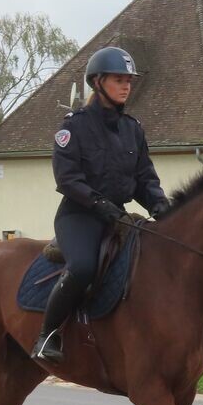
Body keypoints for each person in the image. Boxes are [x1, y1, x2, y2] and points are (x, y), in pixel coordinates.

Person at [32, 47, 171, 363]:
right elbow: (67, 179)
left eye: (129, 81)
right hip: (79, 216)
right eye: (119, 80)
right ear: (97, 82)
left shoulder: (133, 129)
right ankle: (47, 336)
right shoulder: (74, 127)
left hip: (116, 216)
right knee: (82, 268)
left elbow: (144, 178)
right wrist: (100, 204)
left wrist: (159, 204)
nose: (126, 86)